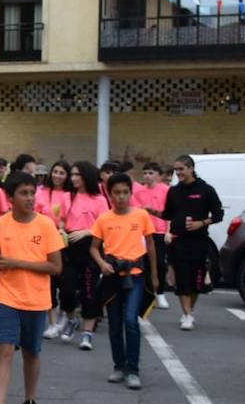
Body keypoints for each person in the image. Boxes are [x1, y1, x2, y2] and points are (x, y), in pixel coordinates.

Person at [0, 172, 63, 404]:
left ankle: (30, 402)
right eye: (23, 193)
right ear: (10, 197)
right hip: (6, 297)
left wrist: (17, 263)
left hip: (37, 299)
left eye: (31, 193)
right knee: (4, 350)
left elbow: (56, 267)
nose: (29, 198)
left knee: (31, 353)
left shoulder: (46, 225)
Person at [91, 173, 158, 390]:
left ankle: (133, 369)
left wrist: (155, 274)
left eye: (125, 192)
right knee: (114, 325)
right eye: (116, 193)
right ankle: (118, 366)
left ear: (131, 193)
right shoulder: (104, 219)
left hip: (136, 276)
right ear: (109, 195)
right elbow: (93, 247)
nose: (121, 197)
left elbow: (151, 246)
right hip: (112, 277)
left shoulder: (141, 216)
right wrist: (102, 263)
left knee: (131, 320)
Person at [162, 154, 223, 330]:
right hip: (178, 241)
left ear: (191, 168)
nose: (178, 173)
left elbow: (218, 215)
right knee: (182, 279)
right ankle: (187, 314)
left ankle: (190, 309)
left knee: (196, 281)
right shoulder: (174, 191)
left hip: (199, 242)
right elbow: (168, 214)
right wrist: (150, 211)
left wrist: (201, 223)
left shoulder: (206, 190)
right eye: (176, 169)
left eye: (181, 169)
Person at [60, 161, 110, 350]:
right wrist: (62, 230)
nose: (73, 178)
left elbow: (104, 225)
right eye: (71, 175)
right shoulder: (67, 197)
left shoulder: (100, 200)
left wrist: (87, 232)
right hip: (70, 247)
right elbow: (62, 221)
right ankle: (71, 320)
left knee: (89, 291)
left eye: (77, 175)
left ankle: (87, 333)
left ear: (86, 176)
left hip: (91, 247)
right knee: (66, 289)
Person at [36, 161, 74, 338]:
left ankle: (66, 317)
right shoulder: (41, 192)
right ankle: (52, 323)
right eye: (55, 171)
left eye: (62, 173)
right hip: (43, 242)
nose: (57, 175)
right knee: (47, 284)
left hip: (65, 243)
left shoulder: (71, 194)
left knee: (66, 285)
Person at [132, 162, 172, 310]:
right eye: (145, 173)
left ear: (159, 175)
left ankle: (160, 291)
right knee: (144, 263)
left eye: (151, 173)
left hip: (160, 231)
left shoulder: (166, 190)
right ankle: (147, 293)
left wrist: (169, 230)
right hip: (143, 232)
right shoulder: (138, 192)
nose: (148, 176)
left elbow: (169, 213)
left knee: (160, 262)